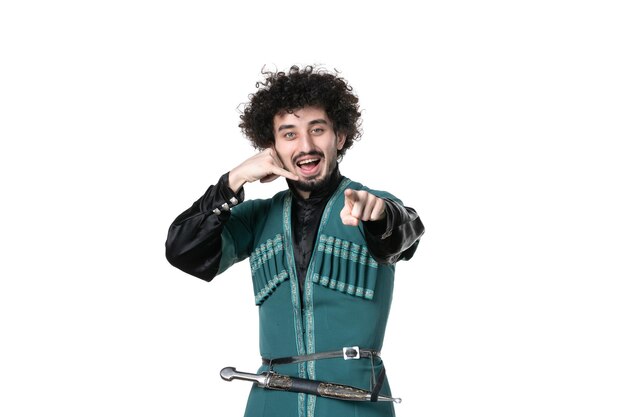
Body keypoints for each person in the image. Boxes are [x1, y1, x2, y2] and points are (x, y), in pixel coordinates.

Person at [165, 65, 425, 417]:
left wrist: (380, 215)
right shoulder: (254, 218)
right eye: (289, 135)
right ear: (272, 148)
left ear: (340, 137)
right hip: (271, 401)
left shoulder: (373, 206)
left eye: (317, 130)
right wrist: (233, 180)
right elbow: (182, 251)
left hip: (355, 403)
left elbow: (405, 233)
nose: (305, 146)